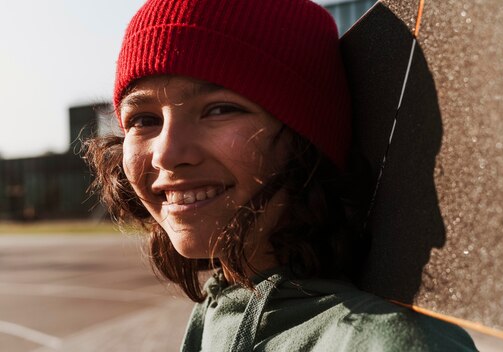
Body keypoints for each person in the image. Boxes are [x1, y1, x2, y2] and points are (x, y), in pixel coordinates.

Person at [84, 0, 477, 351]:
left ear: (307, 140)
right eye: (144, 119)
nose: (168, 154)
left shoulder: (386, 343)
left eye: (220, 109)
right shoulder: (222, 303)